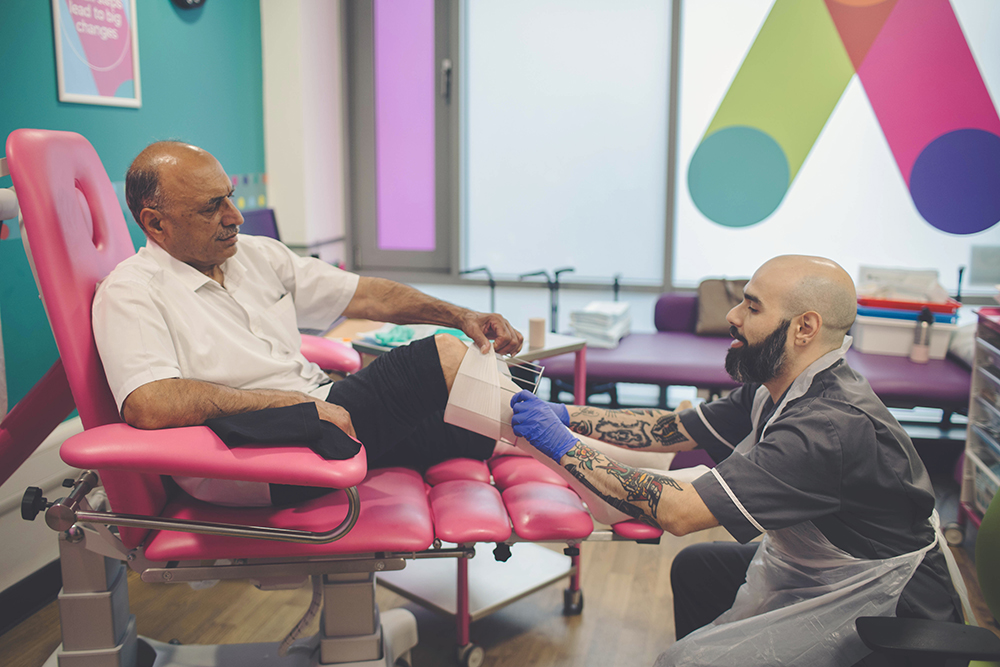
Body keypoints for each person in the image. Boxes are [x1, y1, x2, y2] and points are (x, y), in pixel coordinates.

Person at [510, 255, 965, 667]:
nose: (732, 316)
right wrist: (567, 414)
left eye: (751, 306)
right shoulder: (781, 387)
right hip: (825, 569)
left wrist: (563, 445)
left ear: (804, 327)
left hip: (889, 609)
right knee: (696, 569)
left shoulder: (826, 428)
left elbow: (681, 511)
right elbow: (669, 428)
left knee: (686, 662)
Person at [93, 140, 522, 507]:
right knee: (440, 357)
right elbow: (149, 403)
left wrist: (460, 315)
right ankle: (577, 453)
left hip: (321, 412)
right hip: (259, 452)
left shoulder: (254, 255)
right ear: (155, 223)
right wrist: (289, 405)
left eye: (230, 197)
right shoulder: (132, 291)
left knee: (465, 423)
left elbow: (367, 294)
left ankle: (577, 426)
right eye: (212, 207)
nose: (235, 217)